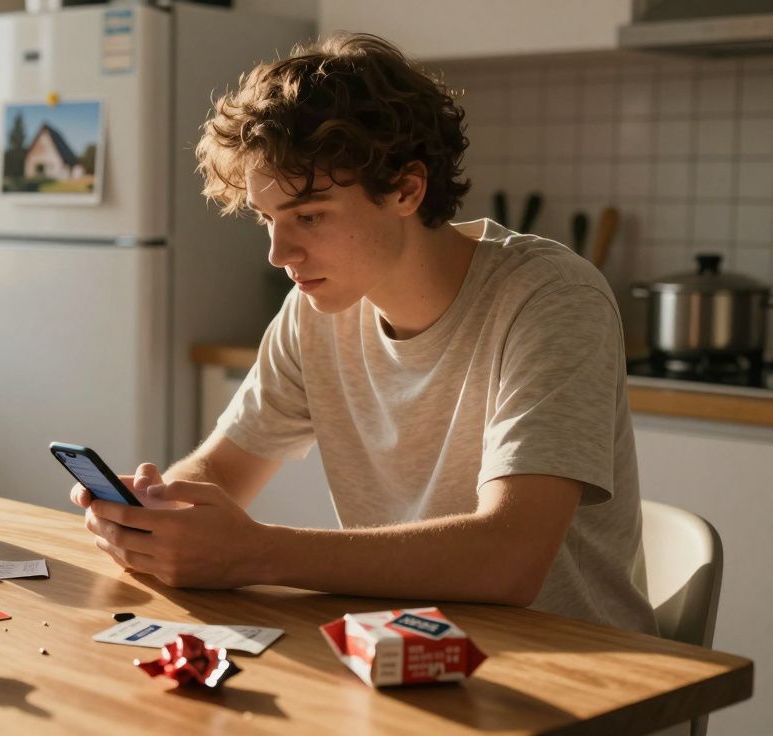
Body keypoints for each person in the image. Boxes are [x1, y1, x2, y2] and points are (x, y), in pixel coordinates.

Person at [69, 33, 657, 634]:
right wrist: (156, 514)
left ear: (406, 189)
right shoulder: (315, 308)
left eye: (309, 216)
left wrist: (255, 551)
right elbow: (220, 472)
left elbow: (510, 559)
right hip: (400, 650)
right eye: (268, 218)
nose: (278, 252)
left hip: (576, 671)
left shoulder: (551, 298)